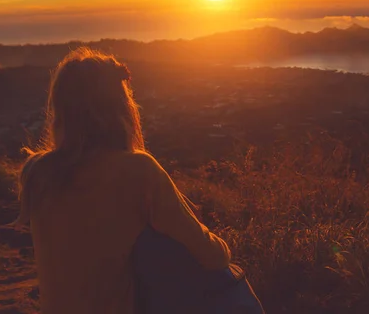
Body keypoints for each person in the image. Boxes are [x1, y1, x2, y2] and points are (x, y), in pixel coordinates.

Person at [14, 48, 264, 314]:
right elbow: (214, 257)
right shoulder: (137, 170)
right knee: (228, 280)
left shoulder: (35, 171)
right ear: (120, 105)